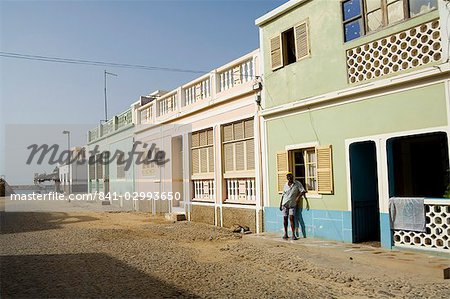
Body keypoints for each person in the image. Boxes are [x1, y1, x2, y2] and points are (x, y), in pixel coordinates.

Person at [279, 172, 306, 240]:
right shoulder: (285, 185)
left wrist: (298, 197)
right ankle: (285, 233)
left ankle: (293, 234)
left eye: (291, 177)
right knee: (285, 219)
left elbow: (303, 191)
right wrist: (280, 204)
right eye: (289, 177)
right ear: (287, 178)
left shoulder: (297, 184)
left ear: (293, 177)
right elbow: (283, 195)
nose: (290, 178)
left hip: (292, 204)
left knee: (291, 218)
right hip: (285, 204)